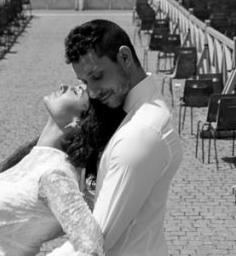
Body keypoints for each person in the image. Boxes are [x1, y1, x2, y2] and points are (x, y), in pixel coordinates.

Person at [48, 20, 182, 256]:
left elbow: (94, 241)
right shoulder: (129, 114)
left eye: (97, 76)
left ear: (125, 58)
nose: (92, 92)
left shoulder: (141, 132)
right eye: (85, 82)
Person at [0, 84, 124, 255]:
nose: (65, 86)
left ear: (78, 123)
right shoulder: (36, 157)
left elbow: (90, 245)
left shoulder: (55, 174)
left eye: (77, 91)